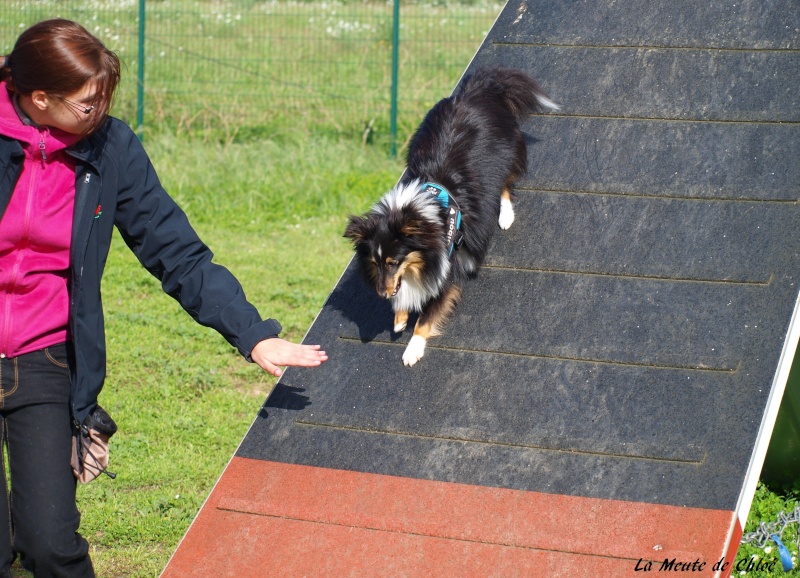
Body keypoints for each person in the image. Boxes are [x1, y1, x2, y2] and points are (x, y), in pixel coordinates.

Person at [0, 18, 327, 577]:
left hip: (45, 357)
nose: (99, 112)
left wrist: (251, 334)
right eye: (86, 104)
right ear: (38, 98)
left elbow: (175, 250)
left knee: (50, 543)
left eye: (105, 98)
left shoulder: (111, 148)